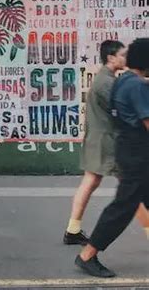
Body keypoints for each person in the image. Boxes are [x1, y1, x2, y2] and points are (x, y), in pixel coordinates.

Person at [75, 38, 149, 278]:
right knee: (122, 208)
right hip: (137, 154)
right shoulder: (135, 86)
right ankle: (88, 254)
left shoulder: (123, 81)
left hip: (130, 150)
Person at [64, 40, 127, 244]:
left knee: (92, 182)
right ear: (111, 57)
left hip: (101, 140)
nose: (125, 59)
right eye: (122, 55)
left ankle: (73, 230)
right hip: (107, 142)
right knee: (135, 186)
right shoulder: (106, 82)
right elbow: (125, 108)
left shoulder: (106, 78)